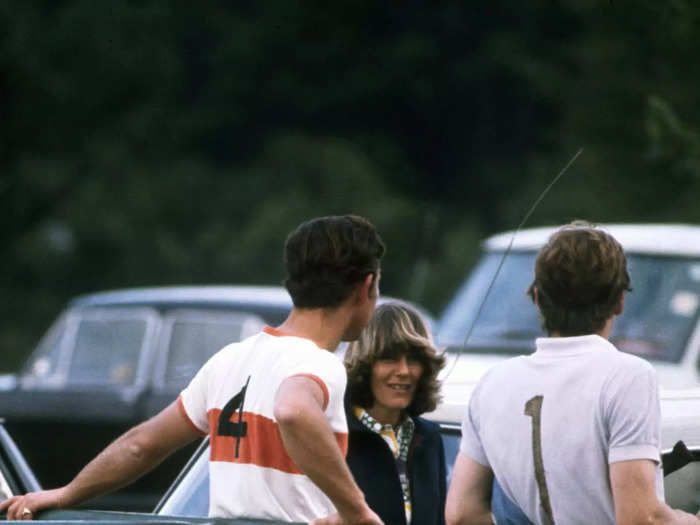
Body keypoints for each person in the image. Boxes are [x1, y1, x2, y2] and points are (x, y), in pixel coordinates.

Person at [1, 215, 386, 525]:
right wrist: (357, 512)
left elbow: (141, 445)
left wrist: (66, 494)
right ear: (365, 287)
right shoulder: (321, 365)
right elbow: (293, 410)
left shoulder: (230, 359)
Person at [445, 221, 700, 525]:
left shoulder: (492, 383)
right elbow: (639, 518)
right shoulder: (628, 376)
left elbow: (461, 513)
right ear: (620, 301)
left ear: (537, 299)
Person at [344, 302, 447, 525]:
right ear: (365, 364)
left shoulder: (430, 438)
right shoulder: (335, 435)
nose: (404, 371)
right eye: (388, 358)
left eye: (414, 359)